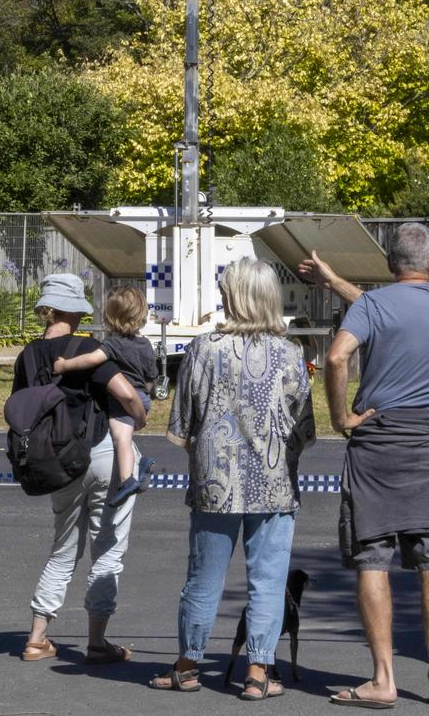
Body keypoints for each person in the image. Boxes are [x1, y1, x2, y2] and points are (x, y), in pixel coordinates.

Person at [301, 223, 429, 708]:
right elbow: (389, 310)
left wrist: (340, 416)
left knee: (373, 556)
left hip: (377, 444)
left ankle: (382, 680)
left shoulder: (374, 306)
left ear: (389, 266)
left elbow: (337, 357)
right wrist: (335, 282)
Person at [151, 257, 315, 699]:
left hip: (214, 483)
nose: (220, 297)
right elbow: (303, 430)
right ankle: (258, 672)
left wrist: (210, 452)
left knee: (204, 577)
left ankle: (187, 666)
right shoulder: (292, 353)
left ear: (236, 296)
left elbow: (183, 425)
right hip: (275, 482)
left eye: (225, 290)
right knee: (268, 578)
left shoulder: (205, 348)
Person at [13, 273, 147, 664]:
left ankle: (37, 637)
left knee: (63, 549)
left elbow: (20, 407)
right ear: (75, 310)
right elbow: (123, 391)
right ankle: (97, 641)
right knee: (108, 549)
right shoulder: (85, 347)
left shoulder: (28, 356)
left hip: (56, 461)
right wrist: (139, 416)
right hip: (102, 450)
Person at [54, 285, 157, 507]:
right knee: (127, 437)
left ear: (111, 318)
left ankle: (127, 479)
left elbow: (91, 360)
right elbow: (151, 377)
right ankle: (139, 465)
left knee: (121, 440)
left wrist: (65, 365)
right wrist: (144, 395)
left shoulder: (112, 344)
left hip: (123, 400)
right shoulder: (146, 345)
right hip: (143, 396)